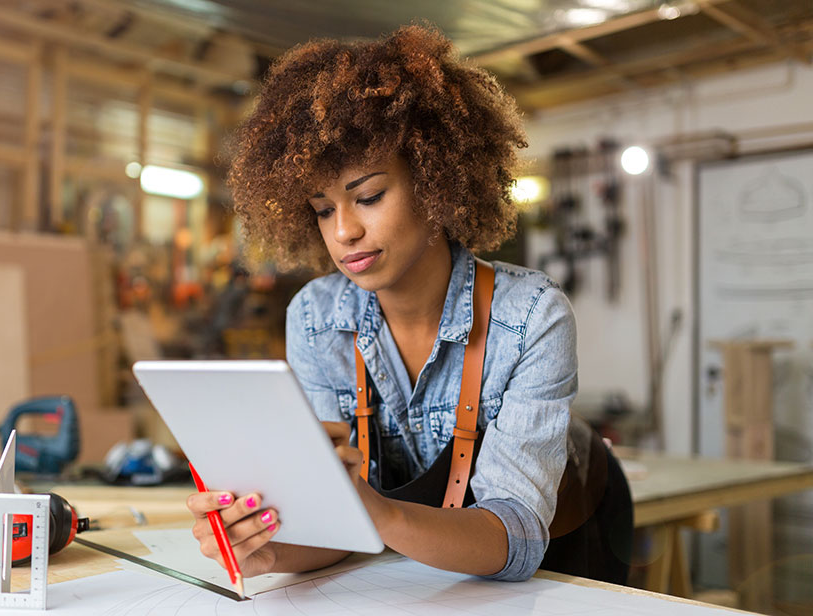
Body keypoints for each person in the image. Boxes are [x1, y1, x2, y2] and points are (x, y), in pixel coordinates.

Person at [187, 24, 631, 584]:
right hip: (429, 560)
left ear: (436, 183)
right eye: (323, 209)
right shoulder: (317, 318)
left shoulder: (530, 318)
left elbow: (517, 541)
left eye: (369, 196)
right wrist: (266, 550)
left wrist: (378, 512)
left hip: (572, 535)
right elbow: (337, 528)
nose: (344, 230)